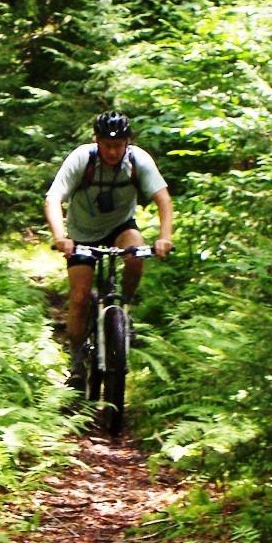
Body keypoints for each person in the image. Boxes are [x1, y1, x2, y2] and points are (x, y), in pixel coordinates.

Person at [44, 111, 173, 387]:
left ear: (128, 142)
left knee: (136, 256)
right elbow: (54, 198)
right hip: (82, 234)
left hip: (120, 227)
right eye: (107, 145)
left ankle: (124, 308)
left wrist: (164, 237)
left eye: (119, 145)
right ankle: (77, 360)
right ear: (96, 141)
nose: (113, 151)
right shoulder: (82, 158)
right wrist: (60, 237)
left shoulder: (138, 160)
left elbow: (163, 199)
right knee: (79, 298)